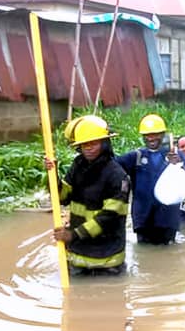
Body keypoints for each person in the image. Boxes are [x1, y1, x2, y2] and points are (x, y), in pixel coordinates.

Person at [46, 115, 130, 276]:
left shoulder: (117, 176)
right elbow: (63, 197)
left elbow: (108, 218)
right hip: (78, 254)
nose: (88, 148)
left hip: (107, 260)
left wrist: (72, 234)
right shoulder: (78, 165)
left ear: (105, 144)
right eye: (84, 144)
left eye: (94, 143)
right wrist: (52, 176)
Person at [116, 114, 185, 245]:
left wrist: (179, 166)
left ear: (163, 134)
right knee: (144, 253)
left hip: (168, 218)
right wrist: (104, 143)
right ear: (143, 136)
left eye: (155, 134)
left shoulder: (176, 155)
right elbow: (111, 166)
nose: (151, 138)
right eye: (147, 135)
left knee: (169, 255)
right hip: (143, 218)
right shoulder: (135, 156)